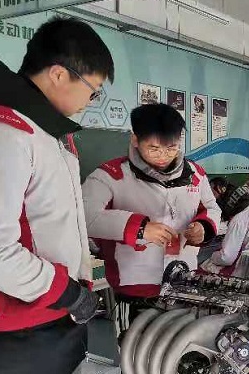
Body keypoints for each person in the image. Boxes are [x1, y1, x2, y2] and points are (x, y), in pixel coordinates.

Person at [0, 17, 113, 374]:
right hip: (19, 331)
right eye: (92, 89)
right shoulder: (3, 131)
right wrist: (65, 290)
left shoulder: (50, 134)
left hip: (56, 318)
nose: (91, 101)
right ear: (58, 73)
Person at [83, 103, 221, 320]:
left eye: (171, 148)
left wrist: (204, 227)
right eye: (154, 149)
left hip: (184, 281)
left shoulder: (196, 174)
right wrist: (139, 229)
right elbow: (85, 217)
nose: (163, 156)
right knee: (136, 340)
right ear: (135, 140)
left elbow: (211, 208)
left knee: (184, 339)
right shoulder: (109, 176)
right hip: (135, 285)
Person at [201, 185, 249, 277]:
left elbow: (226, 258)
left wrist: (212, 256)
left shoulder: (239, 219)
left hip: (241, 274)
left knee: (203, 266)